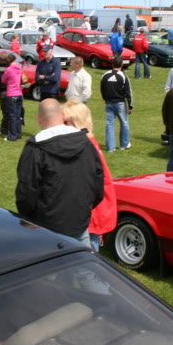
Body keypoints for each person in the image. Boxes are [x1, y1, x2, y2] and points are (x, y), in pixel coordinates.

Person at [15, 99, 104, 245]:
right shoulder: (85, 143)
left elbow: (26, 192)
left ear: (39, 120)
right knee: (81, 266)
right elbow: (98, 184)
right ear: (62, 116)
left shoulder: (36, 149)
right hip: (70, 223)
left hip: (54, 228)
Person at [61, 99, 115, 252]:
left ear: (76, 121)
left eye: (66, 122)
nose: (62, 126)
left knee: (86, 254)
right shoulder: (88, 141)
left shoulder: (83, 145)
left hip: (91, 210)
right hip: (93, 207)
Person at [101, 57, 133, 151]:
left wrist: (105, 99)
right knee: (124, 123)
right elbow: (128, 92)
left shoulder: (105, 75)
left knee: (109, 124)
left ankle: (110, 148)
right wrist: (130, 105)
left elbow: (102, 90)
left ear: (112, 64)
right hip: (120, 104)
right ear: (121, 65)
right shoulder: (123, 76)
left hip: (109, 103)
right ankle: (124, 145)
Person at [2, 52, 24, 141]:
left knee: (12, 116)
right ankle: (18, 134)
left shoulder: (9, 69)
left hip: (11, 94)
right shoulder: (20, 68)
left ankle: (12, 136)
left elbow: (3, 80)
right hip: (19, 94)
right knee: (18, 115)